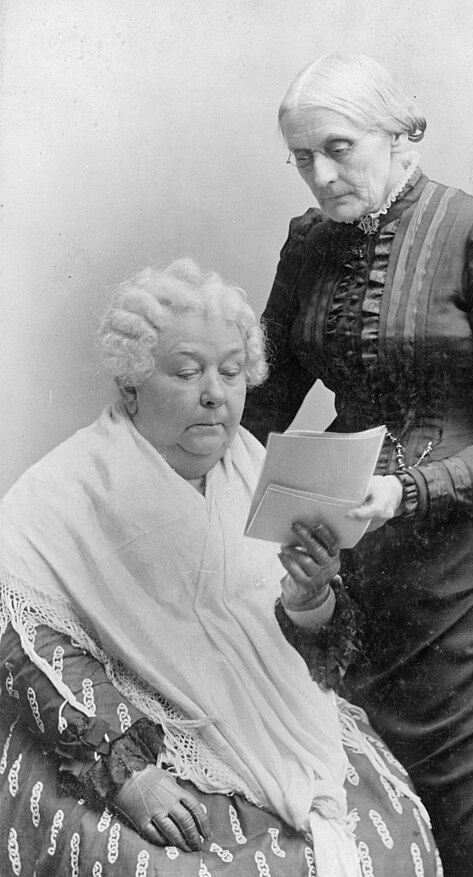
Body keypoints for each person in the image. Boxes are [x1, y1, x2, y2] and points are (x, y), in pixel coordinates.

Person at [241, 52, 473, 877]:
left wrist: (406, 489)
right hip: (364, 578)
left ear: (407, 138)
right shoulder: (309, 246)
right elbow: (260, 407)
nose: (320, 176)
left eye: (339, 148)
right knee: (381, 837)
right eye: (301, 157)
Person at [0, 259, 440, 877]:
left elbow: (317, 655)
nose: (215, 393)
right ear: (131, 385)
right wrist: (130, 774)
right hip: (127, 733)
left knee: (390, 837)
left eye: (231, 372)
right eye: (186, 372)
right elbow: (26, 645)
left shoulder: (256, 471)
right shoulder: (61, 492)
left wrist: (310, 596)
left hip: (278, 722)